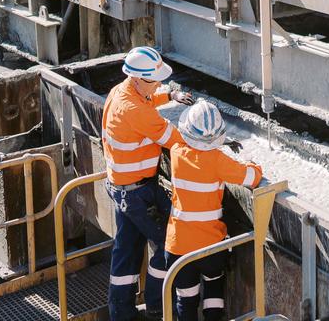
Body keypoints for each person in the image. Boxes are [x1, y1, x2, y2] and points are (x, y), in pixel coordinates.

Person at [102, 46, 194, 321]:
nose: (158, 85)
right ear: (138, 79)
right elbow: (174, 138)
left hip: (123, 188)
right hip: (139, 193)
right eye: (154, 81)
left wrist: (171, 95)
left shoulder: (122, 91)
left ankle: (120, 313)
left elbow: (147, 100)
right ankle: (157, 306)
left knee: (126, 251)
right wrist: (211, 142)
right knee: (170, 245)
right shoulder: (134, 109)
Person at [164, 100, 263, 321]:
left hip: (178, 246)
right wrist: (253, 163)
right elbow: (252, 178)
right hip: (210, 246)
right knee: (213, 288)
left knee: (186, 301)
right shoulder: (219, 161)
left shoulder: (177, 153)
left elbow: (187, 144)